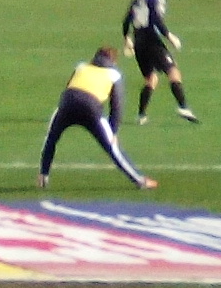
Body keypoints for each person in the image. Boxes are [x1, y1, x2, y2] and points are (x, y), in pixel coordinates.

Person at [38, 47, 155, 191]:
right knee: (113, 149)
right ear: (113, 61)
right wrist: (113, 131)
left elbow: (69, 87)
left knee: (51, 139)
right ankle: (140, 180)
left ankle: (43, 176)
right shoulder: (114, 74)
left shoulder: (81, 67)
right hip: (91, 108)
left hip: (66, 105)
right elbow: (117, 105)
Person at [121, 0, 196, 124]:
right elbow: (155, 19)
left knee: (151, 79)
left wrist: (127, 38)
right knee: (173, 72)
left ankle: (141, 115)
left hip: (139, 42)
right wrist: (170, 36)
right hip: (152, 41)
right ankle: (183, 107)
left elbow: (126, 20)